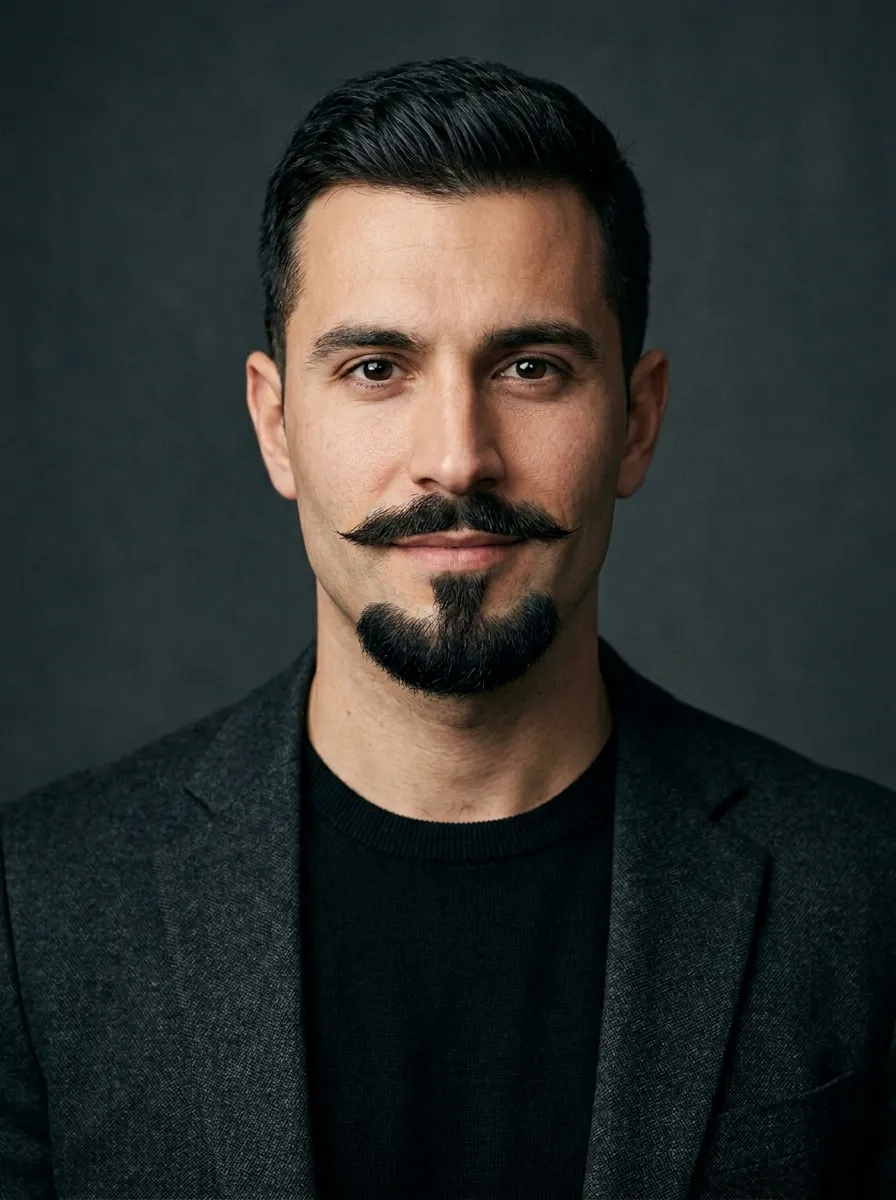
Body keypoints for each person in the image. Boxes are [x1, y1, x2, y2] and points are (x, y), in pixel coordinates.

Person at [1, 56, 892, 1200]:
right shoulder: (40, 911)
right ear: (276, 426)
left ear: (636, 417)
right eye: (375, 367)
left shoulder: (863, 898)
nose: (458, 455)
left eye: (530, 367)